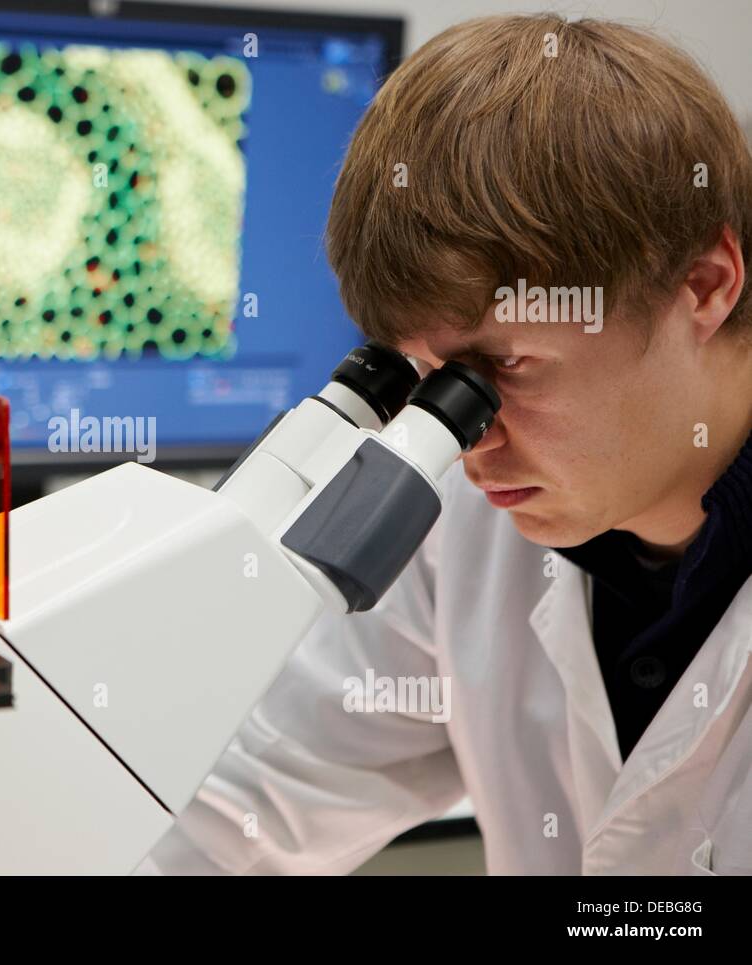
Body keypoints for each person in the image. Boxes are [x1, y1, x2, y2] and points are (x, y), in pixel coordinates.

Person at [139, 14, 752, 874]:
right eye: (430, 379)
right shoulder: (474, 526)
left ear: (704, 286)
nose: (467, 441)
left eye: (506, 364)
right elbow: (250, 807)